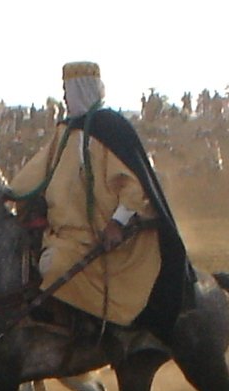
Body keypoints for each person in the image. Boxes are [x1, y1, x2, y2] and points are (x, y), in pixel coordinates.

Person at [10, 61, 194, 337]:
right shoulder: (65, 131)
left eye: (66, 90)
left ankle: (87, 334)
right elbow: (36, 174)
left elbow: (133, 187)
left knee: (53, 267)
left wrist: (116, 224)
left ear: (80, 90)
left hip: (100, 236)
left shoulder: (110, 128)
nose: (63, 97)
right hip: (63, 232)